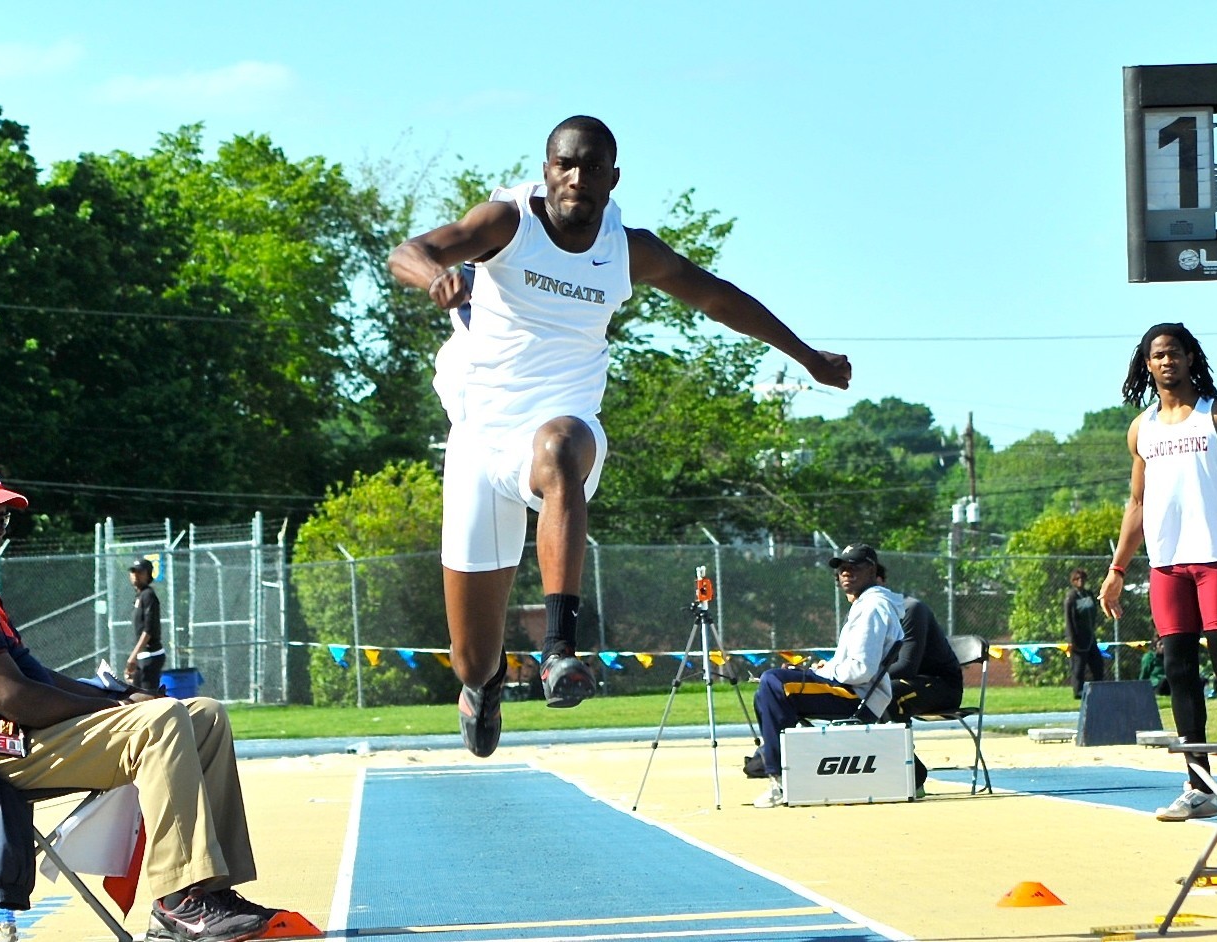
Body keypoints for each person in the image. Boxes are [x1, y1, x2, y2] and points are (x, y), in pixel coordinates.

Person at [388, 115, 852, 758]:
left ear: (613, 178)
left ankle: (559, 650)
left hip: (561, 423)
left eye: (591, 167)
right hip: (479, 437)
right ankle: (483, 685)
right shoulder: (507, 223)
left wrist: (806, 357)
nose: (576, 178)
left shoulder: (628, 249)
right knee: (471, 656)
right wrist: (434, 276)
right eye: (564, 165)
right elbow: (410, 252)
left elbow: (717, 298)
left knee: (560, 447)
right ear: (547, 170)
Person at [0, 461, 281, 942]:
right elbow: (19, 700)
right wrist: (118, 710)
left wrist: (117, 694)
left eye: (4, 518)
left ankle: (211, 891)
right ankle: (178, 903)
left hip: (11, 736)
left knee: (205, 715)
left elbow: (36, 677)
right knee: (160, 721)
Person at [1100, 323, 1217, 823]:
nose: (1167, 361)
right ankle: (1198, 786)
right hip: (1166, 565)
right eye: (1158, 355)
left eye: (1175, 353)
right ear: (1147, 364)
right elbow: (1137, 503)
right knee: (1178, 670)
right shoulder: (1141, 428)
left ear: (1190, 357)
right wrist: (1117, 568)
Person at [750, 544, 904, 808]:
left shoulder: (872, 607)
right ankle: (786, 765)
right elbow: (853, 665)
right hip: (852, 690)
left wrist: (821, 672)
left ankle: (779, 777)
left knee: (773, 683)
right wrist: (819, 670)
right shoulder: (868, 604)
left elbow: (861, 670)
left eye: (854, 566)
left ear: (872, 570)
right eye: (842, 568)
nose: (846, 572)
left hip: (856, 696)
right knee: (769, 689)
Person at [879, 566, 963, 795]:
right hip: (898, 682)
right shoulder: (859, 615)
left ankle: (913, 776)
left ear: (879, 579)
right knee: (853, 694)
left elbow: (907, 666)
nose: (849, 577)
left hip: (940, 685)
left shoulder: (910, 609)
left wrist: (865, 676)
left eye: (858, 571)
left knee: (888, 693)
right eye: (843, 571)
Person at [126, 557, 167, 693]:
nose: (135, 575)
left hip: (151, 655)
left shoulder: (149, 595)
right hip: (142, 656)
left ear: (148, 574)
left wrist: (133, 657)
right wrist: (136, 658)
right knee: (136, 695)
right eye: (133, 571)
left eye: (140, 572)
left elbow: (148, 630)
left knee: (147, 698)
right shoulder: (139, 596)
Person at [1063, 568, 1105, 699]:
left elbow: (1093, 612)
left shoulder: (1089, 594)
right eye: (1077, 579)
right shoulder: (1071, 597)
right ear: (1073, 581)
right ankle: (1078, 691)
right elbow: (1069, 619)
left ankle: (1099, 687)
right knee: (1079, 666)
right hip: (1078, 638)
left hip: (1090, 637)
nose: (1080, 581)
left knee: (1097, 663)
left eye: (1082, 578)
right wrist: (1071, 639)